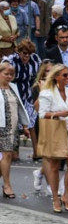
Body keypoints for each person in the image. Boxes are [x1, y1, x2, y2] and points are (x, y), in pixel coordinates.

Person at [38, 64, 68, 213]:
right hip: (55, 131)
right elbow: (42, 114)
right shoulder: (47, 94)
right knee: (55, 166)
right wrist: (58, 114)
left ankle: (66, 195)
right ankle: (55, 198)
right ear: (56, 77)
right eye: (64, 75)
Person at [0, 61, 30, 197]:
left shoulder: (13, 87)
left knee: (9, 155)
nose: (9, 77)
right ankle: (7, 185)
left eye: (11, 74)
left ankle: (6, 183)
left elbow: (20, 108)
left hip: (12, 127)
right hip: (1, 126)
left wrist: (25, 125)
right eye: (6, 74)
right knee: (6, 155)